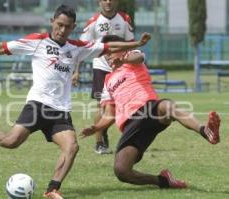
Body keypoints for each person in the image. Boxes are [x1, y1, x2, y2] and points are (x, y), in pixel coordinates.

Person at [0, 5, 151, 199]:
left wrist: (136, 43)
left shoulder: (77, 47)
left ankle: (52, 189)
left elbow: (107, 45)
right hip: (38, 104)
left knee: (72, 147)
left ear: (73, 27)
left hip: (60, 111)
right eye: (59, 25)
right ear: (52, 21)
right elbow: (2, 48)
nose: (62, 30)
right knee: (10, 142)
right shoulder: (37, 41)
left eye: (67, 27)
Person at [80, 35, 221, 189]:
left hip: (149, 109)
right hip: (131, 126)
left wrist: (125, 60)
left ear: (124, 49)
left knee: (167, 106)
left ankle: (205, 130)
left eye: (111, 51)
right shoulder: (107, 81)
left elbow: (139, 57)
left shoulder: (132, 58)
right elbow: (109, 114)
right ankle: (164, 181)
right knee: (121, 171)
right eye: (105, 53)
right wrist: (96, 128)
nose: (107, 55)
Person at [74, 0, 134, 154]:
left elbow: (131, 44)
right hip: (101, 67)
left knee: (127, 104)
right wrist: (76, 71)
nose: (108, 2)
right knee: (100, 105)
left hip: (121, 68)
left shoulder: (125, 19)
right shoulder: (93, 22)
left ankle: (129, 140)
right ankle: (100, 142)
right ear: (99, 2)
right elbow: (82, 47)